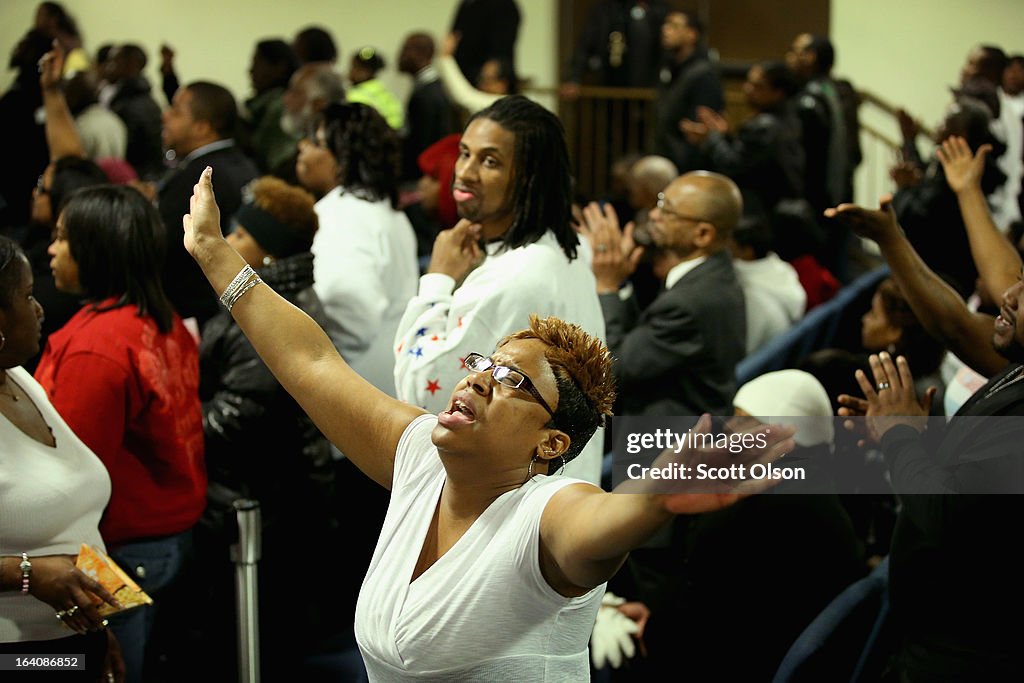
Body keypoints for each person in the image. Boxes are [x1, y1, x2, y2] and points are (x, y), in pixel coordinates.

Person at [182, 167, 795, 679]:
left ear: (550, 442)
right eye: (484, 363)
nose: (476, 377)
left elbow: (605, 519)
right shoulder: (422, 455)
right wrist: (216, 255)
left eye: (511, 381)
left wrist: (656, 499)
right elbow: (313, 362)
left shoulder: (549, 513)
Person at [829, 195, 1024, 681]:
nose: (1009, 295)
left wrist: (901, 437)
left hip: (964, 658)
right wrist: (916, 435)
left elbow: (944, 516)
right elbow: (985, 499)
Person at [34, 186, 205, 683]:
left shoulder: (96, 348)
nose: (52, 250)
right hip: (169, 535)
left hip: (124, 548)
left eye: (62, 238)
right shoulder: (161, 318)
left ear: (95, 249)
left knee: (108, 670)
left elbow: (68, 478)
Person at [392, 95, 606, 483]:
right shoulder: (562, 249)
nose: (465, 173)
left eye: (490, 161)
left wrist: (438, 279)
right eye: (464, 153)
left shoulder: (515, 277)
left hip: (513, 500)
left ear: (528, 177)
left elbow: (421, 392)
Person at [194, 177, 351, 680]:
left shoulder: (271, 312)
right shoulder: (268, 295)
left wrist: (174, 435)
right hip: (282, 488)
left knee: (265, 638)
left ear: (266, 252)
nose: (231, 241)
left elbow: (241, 412)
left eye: (240, 236)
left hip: (276, 497)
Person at [0, 235, 124, 682]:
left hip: (68, 644)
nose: (39, 310)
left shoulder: (19, 378)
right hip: (17, 657)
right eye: (27, 296)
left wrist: (95, 635)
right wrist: (25, 574)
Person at [296, 102, 418, 395]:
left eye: (316, 142)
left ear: (343, 159)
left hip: (353, 381)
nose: (302, 147)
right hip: (391, 373)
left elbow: (352, 320)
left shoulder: (343, 216)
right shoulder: (388, 211)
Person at [157, 81, 259, 324]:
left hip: (196, 311)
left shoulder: (200, 178)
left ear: (203, 128)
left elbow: (164, 248)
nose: (165, 116)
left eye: (176, 111)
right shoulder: (243, 164)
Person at [654, 10, 723, 173]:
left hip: (688, 165)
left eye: (674, 25)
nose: (665, 29)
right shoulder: (670, 69)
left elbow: (704, 126)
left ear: (692, 34)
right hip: (667, 157)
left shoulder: (704, 73)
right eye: (665, 24)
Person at [398, 32, 460, 182]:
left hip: (423, 177)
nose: (401, 56)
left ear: (423, 53)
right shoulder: (428, 88)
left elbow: (425, 142)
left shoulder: (427, 94)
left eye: (407, 49)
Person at [241, 39, 300, 173]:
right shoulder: (257, 106)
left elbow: (268, 154)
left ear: (280, 67)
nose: (251, 71)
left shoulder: (279, 107)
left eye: (258, 64)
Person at [346, 47, 404, 130]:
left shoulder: (353, 96)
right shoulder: (388, 96)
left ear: (366, 72)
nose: (350, 72)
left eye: (355, 67)